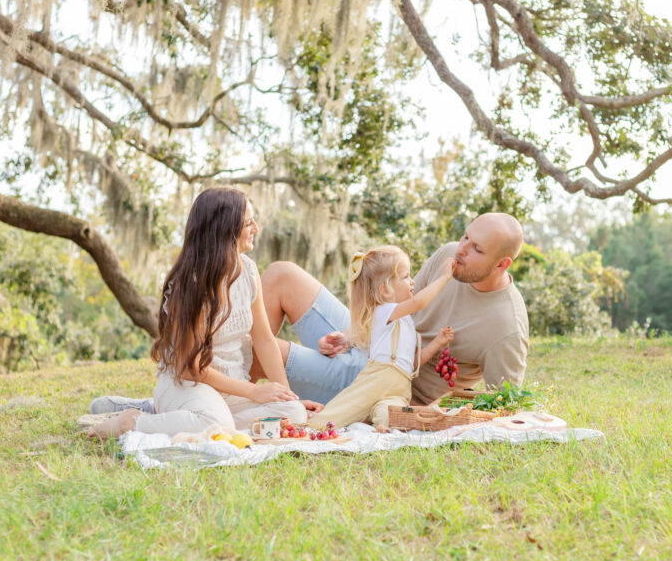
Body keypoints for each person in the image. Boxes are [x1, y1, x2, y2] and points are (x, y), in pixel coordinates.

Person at [87, 187, 322, 439]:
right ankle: (131, 422)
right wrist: (254, 392)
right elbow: (191, 366)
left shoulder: (249, 272)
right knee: (214, 423)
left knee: (293, 414)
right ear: (225, 230)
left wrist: (286, 396)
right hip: (187, 384)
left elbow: (264, 340)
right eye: (248, 222)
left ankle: (170, 417)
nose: (256, 228)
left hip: (230, 389)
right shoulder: (192, 284)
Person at [266, 213, 529, 407]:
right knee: (282, 275)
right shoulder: (449, 255)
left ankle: (248, 399)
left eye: (477, 249)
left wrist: (420, 411)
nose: (461, 250)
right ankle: (239, 394)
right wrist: (350, 335)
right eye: (466, 237)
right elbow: (401, 309)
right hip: (375, 344)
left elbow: (505, 407)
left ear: (502, 264)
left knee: (260, 348)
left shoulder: (506, 327)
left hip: (382, 387)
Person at [305, 246, 456, 430]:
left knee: (390, 416)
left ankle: (382, 430)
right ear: (385, 290)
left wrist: (438, 342)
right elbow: (419, 302)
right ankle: (307, 427)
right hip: (377, 380)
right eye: (405, 276)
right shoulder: (384, 312)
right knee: (339, 412)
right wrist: (445, 277)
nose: (412, 281)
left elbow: (414, 364)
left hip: (400, 389)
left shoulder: (406, 323)